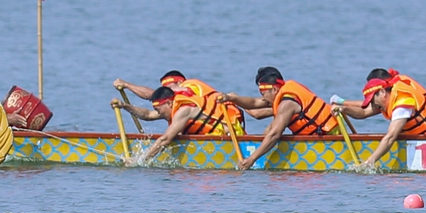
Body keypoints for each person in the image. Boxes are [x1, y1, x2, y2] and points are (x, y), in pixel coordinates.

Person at [336, 68, 426, 172]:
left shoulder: (402, 102)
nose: (372, 104)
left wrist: (369, 162)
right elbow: (363, 112)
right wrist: (344, 109)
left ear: (382, 92)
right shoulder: (389, 95)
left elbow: (390, 138)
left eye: (373, 100)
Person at [111, 70, 243, 163]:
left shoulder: (184, 108)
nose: (159, 114)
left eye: (159, 109)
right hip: (215, 137)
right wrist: (124, 106)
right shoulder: (174, 107)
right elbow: (147, 115)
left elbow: (165, 140)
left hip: (230, 138)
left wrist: (140, 160)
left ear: (168, 102)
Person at [228, 66, 340, 169]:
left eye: (263, 93)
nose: (263, 98)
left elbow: (274, 135)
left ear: (275, 90)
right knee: (270, 128)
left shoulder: (286, 104)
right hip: (328, 134)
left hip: (327, 139)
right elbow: (254, 104)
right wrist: (233, 99)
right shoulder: (283, 95)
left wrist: (251, 159)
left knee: (272, 130)